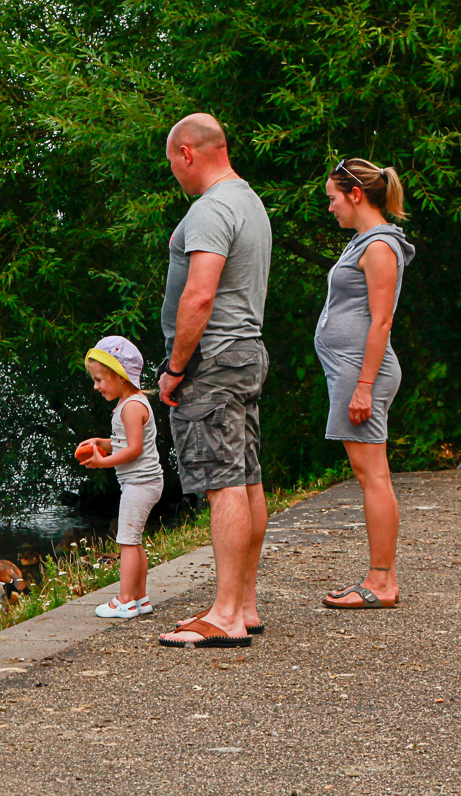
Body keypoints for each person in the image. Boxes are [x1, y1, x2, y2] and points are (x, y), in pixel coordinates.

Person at [156, 113, 271, 649]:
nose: (176, 177)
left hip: (213, 361)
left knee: (223, 482)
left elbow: (199, 295)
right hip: (246, 352)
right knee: (246, 476)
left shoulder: (210, 209)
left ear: (187, 154)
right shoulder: (248, 200)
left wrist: (176, 368)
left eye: (173, 167)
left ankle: (225, 614)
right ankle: (242, 605)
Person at [316, 158, 415, 609]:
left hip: (363, 371)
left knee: (371, 474)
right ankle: (383, 577)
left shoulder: (379, 247)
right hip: (354, 369)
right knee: (371, 473)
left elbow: (382, 321)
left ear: (356, 195)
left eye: (334, 198)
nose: (331, 208)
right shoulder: (364, 242)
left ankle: (380, 583)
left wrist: (363, 386)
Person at [77, 335, 163, 620]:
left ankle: (124, 600)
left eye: (100, 379)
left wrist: (102, 462)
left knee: (126, 541)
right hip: (142, 482)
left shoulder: (132, 407)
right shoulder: (131, 403)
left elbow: (134, 449)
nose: (96, 386)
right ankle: (141, 598)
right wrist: (102, 442)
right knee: (134, 541)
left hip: (140, 483)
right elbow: (125, 442)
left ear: (120, 376)